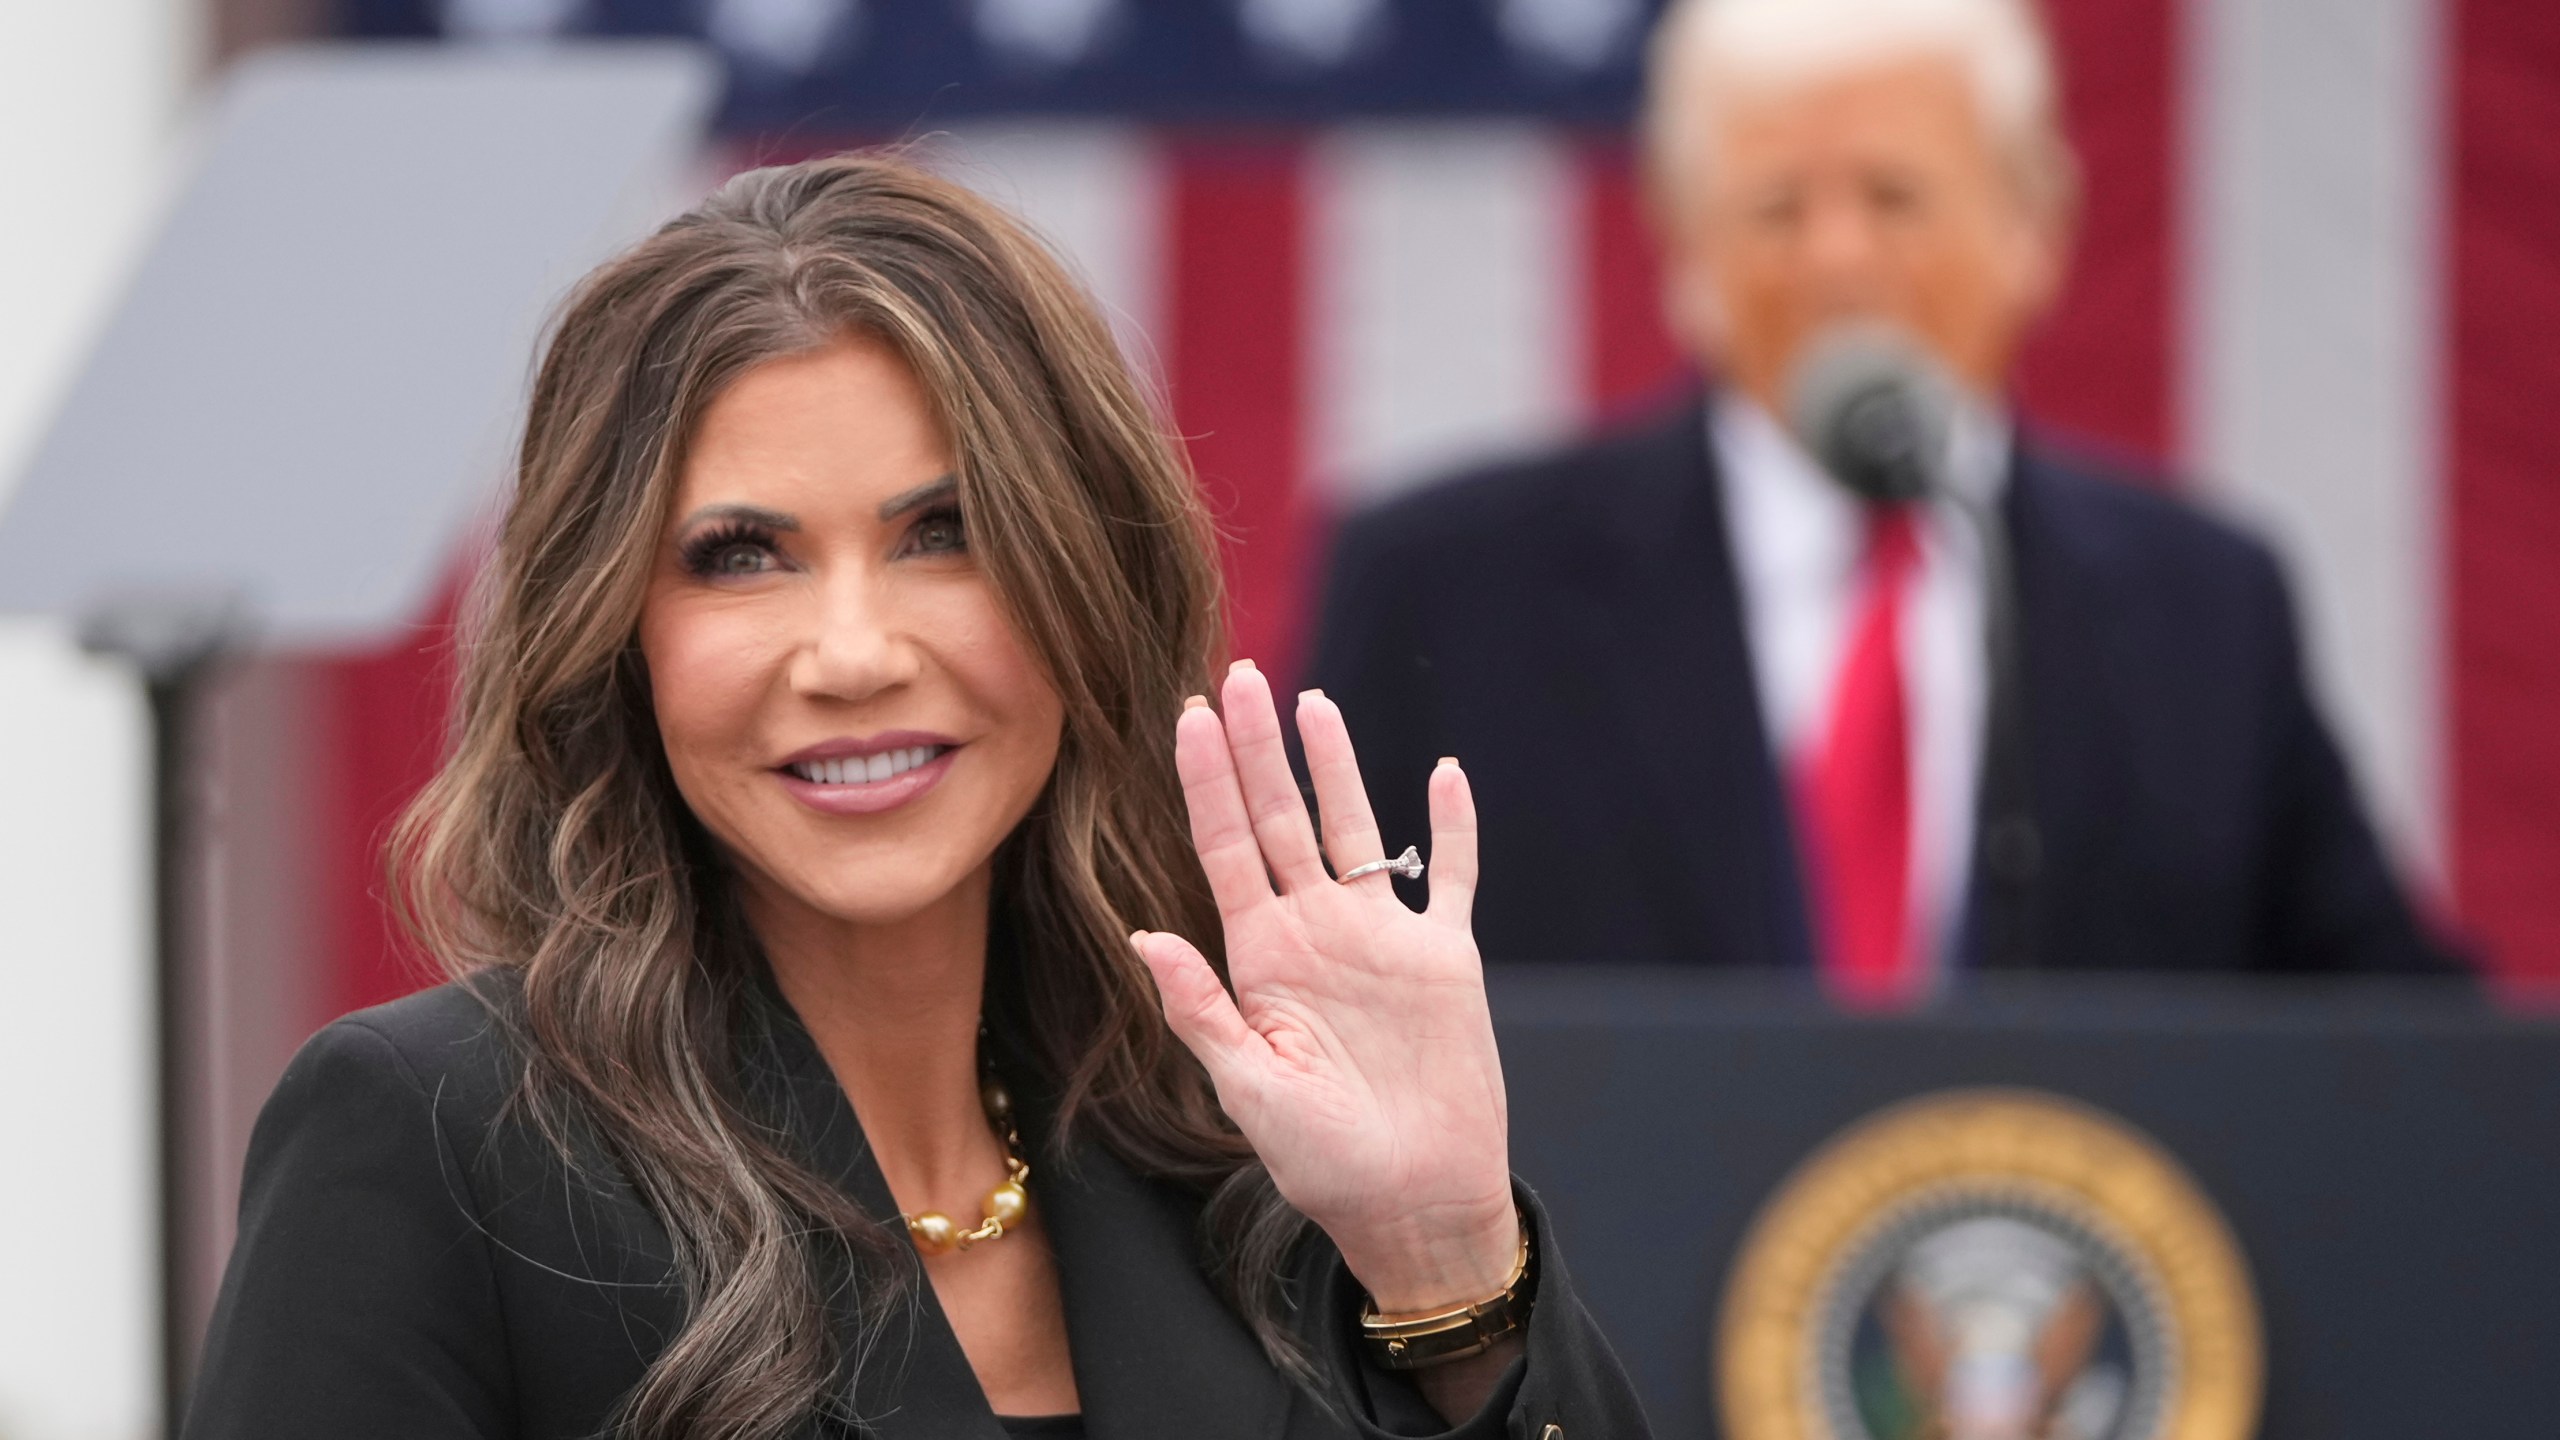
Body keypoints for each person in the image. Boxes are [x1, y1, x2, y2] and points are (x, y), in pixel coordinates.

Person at [184, 156, 1648, 1439]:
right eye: (741, 556)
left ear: (1085, 583)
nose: (855, 653)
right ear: (618, 634)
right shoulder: (439, 1143)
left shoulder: (1245, 1146)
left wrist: (1448, 1265)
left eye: (942, 535)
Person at [1303, 0, 2452, 1000]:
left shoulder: (2203, 609)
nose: (1838, 257)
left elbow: (2387, 1047)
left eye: (1894, 196)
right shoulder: (1449, 590)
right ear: (1683, 246)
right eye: (1776, 207)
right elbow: (1306, 974)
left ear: (2032, 227)